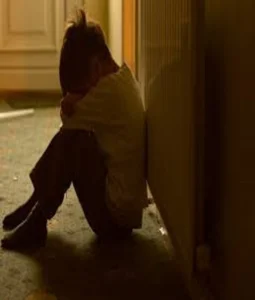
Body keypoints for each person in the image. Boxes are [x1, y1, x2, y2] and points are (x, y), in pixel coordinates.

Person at [1, 9, 147, 250]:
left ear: (96, 67)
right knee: (76, 137)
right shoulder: (120, 80)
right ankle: (36, 204)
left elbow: (67, 121)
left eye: (82, 89)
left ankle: (38, 217)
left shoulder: (108, 93)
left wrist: (71, 102)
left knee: (75, 141)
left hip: (114, 222)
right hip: (124, 214)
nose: (81, 95)